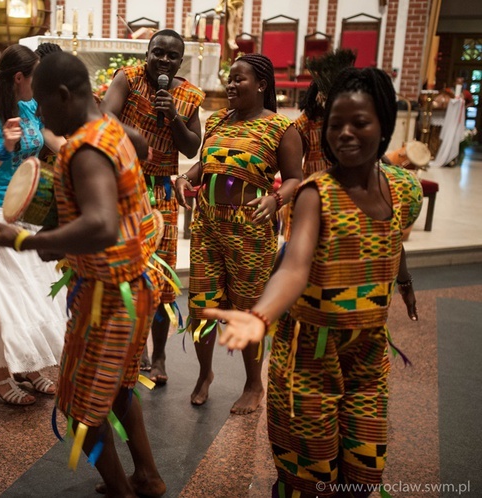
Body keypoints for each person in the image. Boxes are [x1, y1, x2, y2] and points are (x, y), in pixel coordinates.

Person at [206, 67, 423, 497]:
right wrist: (261, 316)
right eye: (336, 124)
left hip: (368, 355)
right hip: (309, 357)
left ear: (384, 125)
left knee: (364, 474)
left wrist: (405, 280)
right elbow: (294, 265)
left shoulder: (402, 189)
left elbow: (391, 239)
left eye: (359, 123)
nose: (344, 133)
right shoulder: (315, 193)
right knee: (311, 478)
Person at [0, 52, 166, 498]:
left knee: (80, 410)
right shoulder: (112, 128)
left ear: (64, 96)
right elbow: (141, 149)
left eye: (43, 106)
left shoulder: (84, 148)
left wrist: (30, 241)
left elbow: (102, 225)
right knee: (122, 388)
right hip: (137, 285)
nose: (41, 117)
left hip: (107, 297)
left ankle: (124, 492)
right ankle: (146, 475)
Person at [174, 54, 303, 414]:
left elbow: (296, 177)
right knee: (202, 309)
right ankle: (205, 374)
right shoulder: (217, 120)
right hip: (207, 226)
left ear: (261, 85)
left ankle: (252, 384)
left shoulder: (280, 127)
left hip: (251, 230)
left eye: (239, 79)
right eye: (229, 79)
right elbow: (206, 164)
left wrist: (277, 199)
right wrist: (186, 178)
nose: (230, 85)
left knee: (248, 311)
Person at [0, 44, 67, 406]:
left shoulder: (28, 108)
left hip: (32, 211)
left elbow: (51, 141)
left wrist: (86, 150)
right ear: (19, 77)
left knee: (42, 293)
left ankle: (30, 366)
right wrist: (3, 150)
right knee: (9, 299)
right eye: (34, 77)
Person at [101, 29, 205, 386]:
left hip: (161, 191)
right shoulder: (127, 79)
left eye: (171, 56)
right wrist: (137, 142)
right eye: (157, 52)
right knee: (125, 272)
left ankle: (159, 353)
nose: (163, 59)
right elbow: (105, 117)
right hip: (123, 185)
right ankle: (132, 347)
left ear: (180, 61)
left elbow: (192, 149)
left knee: (161, 278)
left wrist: (174, 115)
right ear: (147, 52)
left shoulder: (189, 96)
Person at [293, 49, 356, 178]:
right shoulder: (308, 121)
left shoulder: (352, 121)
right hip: (315, 184)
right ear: (320, 97)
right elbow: (294, 162)